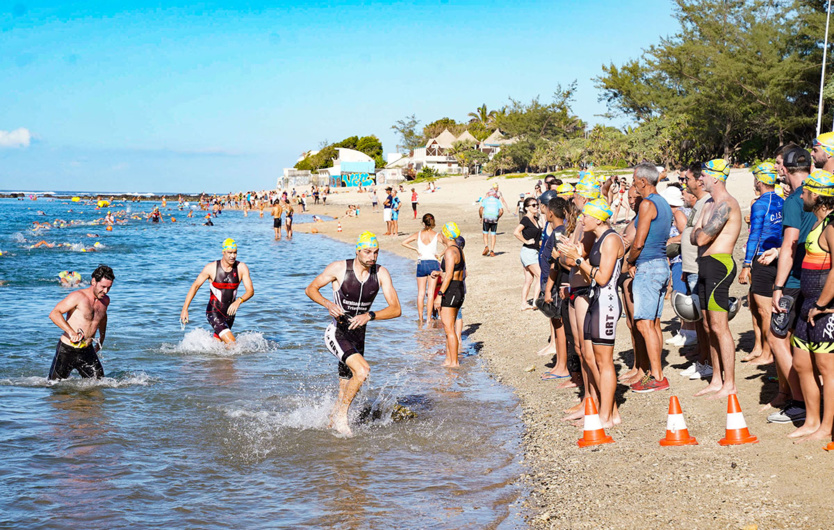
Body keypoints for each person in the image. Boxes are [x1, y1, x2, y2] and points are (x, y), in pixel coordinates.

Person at [305, 231, 401, 436]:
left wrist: (370, 315)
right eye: (367, 252)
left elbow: (396, 309)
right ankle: (342, 416)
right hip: (336, 333)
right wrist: (328, 304)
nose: (372, 257)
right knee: (363, 371)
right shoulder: (339, 268)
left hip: (359, 336)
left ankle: (331, 423)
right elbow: (311, 288)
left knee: (346, 386)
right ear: (357, 250)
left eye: (376, 252)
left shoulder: (381, 273)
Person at [558, 199, 625, 428]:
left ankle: (607, 416)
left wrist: (579, 260)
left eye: (585, 215)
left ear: (598, 218)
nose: (581, 219)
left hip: (606, 303)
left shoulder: (611, 239)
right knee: (591, 357)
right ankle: (608, 411)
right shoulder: (599, 239)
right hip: (595, 301)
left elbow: (604, 278)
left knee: (604, 361)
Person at [764, 146, 814, 423]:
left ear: (785, 168)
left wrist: (778, 287)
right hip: (818, 274)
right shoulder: (822, 191)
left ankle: (799, 402)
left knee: (777, 335)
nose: (777, 169)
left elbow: (789, 244)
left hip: (795, 278)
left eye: (778, 164)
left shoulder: (795, 199)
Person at [691, 159, 742, 399]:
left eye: (704, 175)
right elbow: (694, 235)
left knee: (720, 326)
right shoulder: (708, 204)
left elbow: (700, 238)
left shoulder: (727, 204)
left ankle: (729, 383)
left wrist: (700, 233)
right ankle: (716, 378)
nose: (700, 179)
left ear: (716, 177)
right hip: (704, 265)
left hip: (719, 265)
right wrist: (701, 233)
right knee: (707, 325)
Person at [790, 169, 834, 442]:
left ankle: (827, 427)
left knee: (827, 368)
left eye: (805, 192)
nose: (801, 195)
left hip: (823, 308)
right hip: (808, 305)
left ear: (816, 196)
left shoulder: (832, 227)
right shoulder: (819, 223)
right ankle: (811, 420)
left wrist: (821, 303)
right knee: (801, 363)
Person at [625, 162, 673, 392]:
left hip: (649, 265)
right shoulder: (663, 203)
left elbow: (639, 241)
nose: (633, 184)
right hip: (661, 264)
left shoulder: (648, 204)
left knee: (644, 324)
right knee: (653, 323)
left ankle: (657, 376)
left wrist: (629, 261)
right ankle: (657, 372)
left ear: (643, 181)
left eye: (635, 180)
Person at [739, 163, 784, 365]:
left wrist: (746, 264)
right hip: (778, 256)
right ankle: (759, 347)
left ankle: (768, 352)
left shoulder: (760, 204)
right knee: (755, 305)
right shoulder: (782, 201)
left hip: (761, 258)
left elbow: (755, 236)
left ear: (759, 181)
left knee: (764, 310)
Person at [180, 238, 254, 344]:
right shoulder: (211, 268)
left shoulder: (241, 268)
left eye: (235, 253)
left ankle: (207, 359)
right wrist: (185, 309)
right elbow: (195, 286)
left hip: (230, 314)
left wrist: (239, 301)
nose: (232, 256)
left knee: (219, 347)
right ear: (223, 252)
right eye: (229, 253)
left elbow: (250, 291)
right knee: (232, 343)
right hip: (214, 312)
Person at [47, 264, 115, 380]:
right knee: (55, 387)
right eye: (103, 287)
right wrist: (71, 332)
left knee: (99, 385)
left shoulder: (105, 300)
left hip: (87, 350)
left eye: (109, 288)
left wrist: (101, 338)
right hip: (67, 349)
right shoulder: (78, 296)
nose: (105, 291)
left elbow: (102, 318)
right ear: (93, 281)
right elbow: (54, 313)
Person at [401, 213, 445, 322]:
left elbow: (404, 242)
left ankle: (420, 318)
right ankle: (429, 318)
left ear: (423, 222)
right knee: (430, 293)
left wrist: (415, 249)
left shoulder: (418, 234)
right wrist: (440, 254)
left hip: (421, 263)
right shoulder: (436, 235)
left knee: (420, 293)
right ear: (433, 222)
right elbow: (448, 245)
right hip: (433, 263)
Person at [433, 223, 466, 368]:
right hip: (458, 288)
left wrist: (440, 295)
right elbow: (455, 272)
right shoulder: (459, 249)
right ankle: (448, 359)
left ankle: (454, 362)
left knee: (449, 328)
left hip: (451, 290)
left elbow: (449, 275)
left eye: (441, 233)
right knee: (449, 328)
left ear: (446, 235)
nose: (440, 236)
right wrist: (440, 273)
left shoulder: (449, 252)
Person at [514, 196, 542, 310]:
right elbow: (516, 232)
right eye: (533, 205)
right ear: (527, 208)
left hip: (533, 252)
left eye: (537, 205)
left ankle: (524, 303)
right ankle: (536, 302)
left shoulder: (536, 219)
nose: (536, 207)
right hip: (528, 252)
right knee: (540, 276)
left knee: (529, 280)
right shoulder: (526, 219)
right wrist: (526, 241)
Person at [479, 190, 504, 256]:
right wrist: (498, 217)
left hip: (486, 218)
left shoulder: (485, 200)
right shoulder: (497, 201)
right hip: (494, 218)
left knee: (485, 233)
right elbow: (501, 211)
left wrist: (481, 217)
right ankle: (492, 250)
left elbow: (481, 209)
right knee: (493, 234)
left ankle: (486, 246)